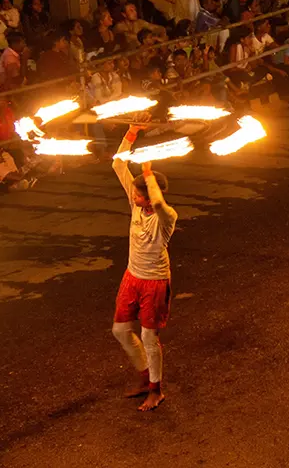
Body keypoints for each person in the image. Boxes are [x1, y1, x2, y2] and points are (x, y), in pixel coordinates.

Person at [111, 124, 177, 412]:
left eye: (139, 194)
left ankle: (156, 389)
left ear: (148, 195)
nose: (134, 198)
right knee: (120, 330)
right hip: (132, 276)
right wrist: (131, 133)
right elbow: (117, 163)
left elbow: (159, 202)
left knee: (150, 337)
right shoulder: (137, 204)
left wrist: (148, 173)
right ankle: (143, 377)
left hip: (155, 281)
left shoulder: (166, 216)